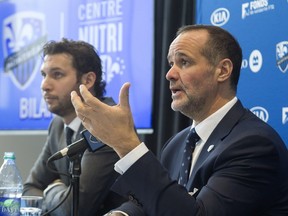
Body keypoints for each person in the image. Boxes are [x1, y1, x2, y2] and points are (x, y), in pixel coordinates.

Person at [71, 25, 288, 215]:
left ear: (222, 71)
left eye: (184, 62)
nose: (170, 74)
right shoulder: (178, 143)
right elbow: (158, 200)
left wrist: (126, 144)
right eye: (171, 63)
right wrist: (121, 214)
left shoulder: (253, 145)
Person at [23, 38, 126, 216]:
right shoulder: (57, 125)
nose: (44, 85)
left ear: (87, 80)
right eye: (43, 75)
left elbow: (75, 209)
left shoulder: (107, 125)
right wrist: (59, 193)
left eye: (57, 75)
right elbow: (30, 189)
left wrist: (51, 189)